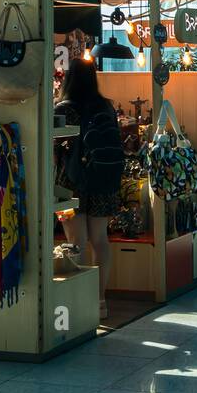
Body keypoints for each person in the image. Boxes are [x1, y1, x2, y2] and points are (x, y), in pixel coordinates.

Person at [56, 58, 126, 321]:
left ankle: (78, 302)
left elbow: (55, 148)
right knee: (100, 240)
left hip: (70, 183)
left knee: (76, 242)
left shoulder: (63, 109)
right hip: (103, 180)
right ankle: (99, 301)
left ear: (68, 78)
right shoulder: (105, 106)